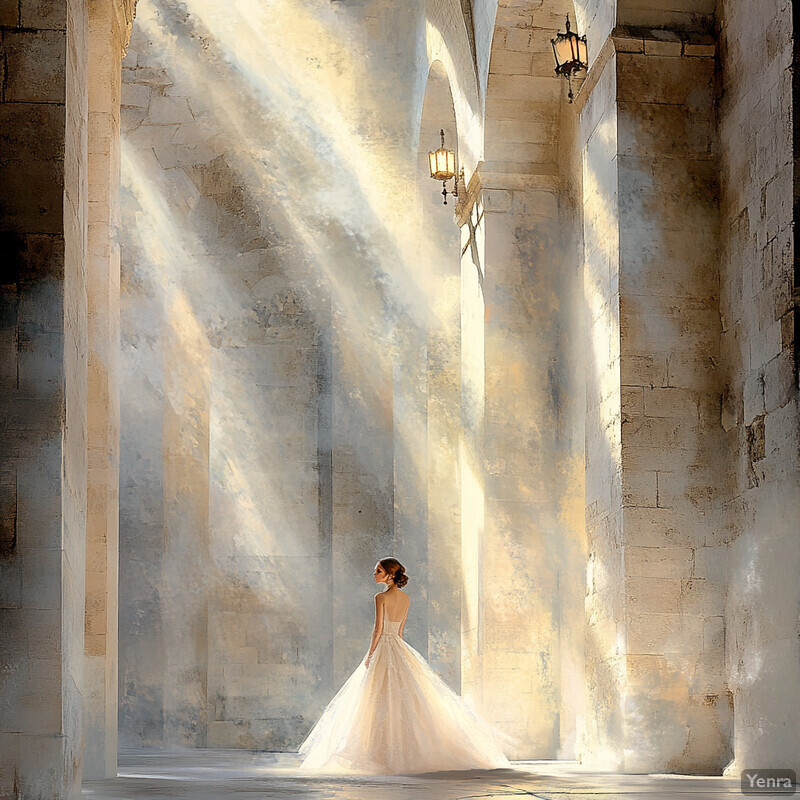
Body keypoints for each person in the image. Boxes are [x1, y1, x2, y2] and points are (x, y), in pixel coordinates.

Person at [298, 557, 513, 775]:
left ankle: (380, 754)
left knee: (376, 699)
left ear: (390, 575)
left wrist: (371, 654)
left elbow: (377, 629)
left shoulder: (380, 597)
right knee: (405, 699)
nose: (374, 574)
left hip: (383, 647)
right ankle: (406, 751)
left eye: (378, 571)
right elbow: (400, 633)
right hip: (400, 648)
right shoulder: (406, 599)